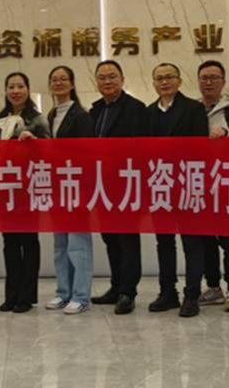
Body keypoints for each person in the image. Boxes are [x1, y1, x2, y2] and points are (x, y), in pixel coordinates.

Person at [144, 63, 210, 317]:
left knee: (192, 242)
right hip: (160, 184)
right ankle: (167, 292)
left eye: (169, 77)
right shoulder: (149, 112)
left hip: (187, 183)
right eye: (159, 78)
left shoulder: (193, 109)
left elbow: (200, 149)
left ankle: (192, 295)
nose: (164, 82)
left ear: (179, 81)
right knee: (164, 242)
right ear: (154, 84)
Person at [88, 60, 148, 315]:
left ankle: (128, 292)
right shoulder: (95, 110)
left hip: (126, 184)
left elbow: (140, 149)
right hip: (102, 185)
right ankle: (115, 286)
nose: (107, 81)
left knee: (127, 240)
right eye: (102, 77)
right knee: (110, 238)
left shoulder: (136, 108)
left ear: (122, 80)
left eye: (112, 76)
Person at [0, 72, 51, 313]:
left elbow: (49, 153)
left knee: (28, 242)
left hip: (29, 189)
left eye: (20, 86)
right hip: (5, 189)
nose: (15, 91)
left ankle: (26, 296)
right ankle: (11, 294)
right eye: (11, 87)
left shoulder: (37, 119)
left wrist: (34, 141)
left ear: (28, 89)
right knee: (9, 243)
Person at [195, 60, 229, 313]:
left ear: (223, 82)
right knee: (206, 240)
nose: (209, 82)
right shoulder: (193, 109)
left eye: (214, 78)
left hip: (228, 183)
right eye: (204, 78)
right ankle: (214, 286)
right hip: (201, 183)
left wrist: (228, 135)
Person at [43, 66, 95, 316]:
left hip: (77, 186)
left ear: (72, 84)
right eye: (54, 79)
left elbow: (86, 153)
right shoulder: (51, 114)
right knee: (60, 244)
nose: (59, 83)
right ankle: (63, 292)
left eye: (64, 79)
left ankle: (81, 295)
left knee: (78, 243)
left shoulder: (82, 116)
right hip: (57, 186)